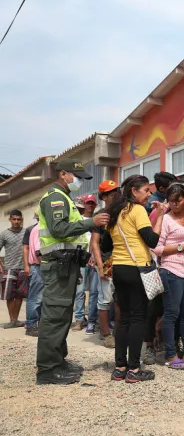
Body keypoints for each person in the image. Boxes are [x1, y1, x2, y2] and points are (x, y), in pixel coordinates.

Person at [35, 159, 109, 385]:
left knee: (62, 316)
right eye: (76, 176)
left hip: (66, 265)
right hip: (57, 266)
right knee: (54, 317)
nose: (79, 181)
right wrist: (91, 222)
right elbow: (58, 230)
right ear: (63, 174)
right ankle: (48, 370)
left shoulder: (64, 197)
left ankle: (59, 361)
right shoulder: (56, 198)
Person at [101, 175, 165, 383]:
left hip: (119, 269)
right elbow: (153, 240)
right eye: (146, 190)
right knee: (138, 318)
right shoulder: (137, 210)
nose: (149, 194)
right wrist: (161, 215)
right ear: (133, 191)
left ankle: (119, 367)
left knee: (124, 318)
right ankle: (134, 369)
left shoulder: (114, 212)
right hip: (137, 268)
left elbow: (105, 247)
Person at [153, 184, 184, 370]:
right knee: (172, 314)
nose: (174, 204)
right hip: (171, 271)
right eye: (171, 201)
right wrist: (182, 248)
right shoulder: (165, 219)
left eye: (178, 200)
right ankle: (171, 355)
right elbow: (156, 248)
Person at [90, 180, 121, 348]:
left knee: (120, 299)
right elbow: (95, 243)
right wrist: (100, 266)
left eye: (117, 191)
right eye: (111, 193)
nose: (116, 195)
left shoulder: (122, 212)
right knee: (105, 300)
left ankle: (118, 332)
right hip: (107, 262)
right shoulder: (100, 216)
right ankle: (105, 334)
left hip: (122, 261)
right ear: (104, 196)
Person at [73, 194, 100, 333]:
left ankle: (92, 320)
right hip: (81, 258)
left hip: (95, 258)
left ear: (95, 205)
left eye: (92, 203)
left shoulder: (98, 220)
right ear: (83, 204)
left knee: (95, 291)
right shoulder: (78, 220)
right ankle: (79, 319)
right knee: (80, 290)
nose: (90, 205)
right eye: (87, 203)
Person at [0, 209, 26, 328]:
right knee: (10, 295)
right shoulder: (4, 234)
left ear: (22, 220)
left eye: (18, 219)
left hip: (23, 267)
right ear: (10, 220)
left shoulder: (26, 232)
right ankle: (12, 320)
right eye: (14, 219)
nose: (16, 221)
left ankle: (16, 320)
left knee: (19, 295)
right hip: (9, 268)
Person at [23, 208, 43, 337]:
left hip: (40, 267)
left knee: (41, 298)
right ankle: (31, 325)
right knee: (35, 298)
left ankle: (38, 324)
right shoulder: (39, 229)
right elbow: (39, 251)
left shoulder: (39, 228)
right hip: (39, 267)